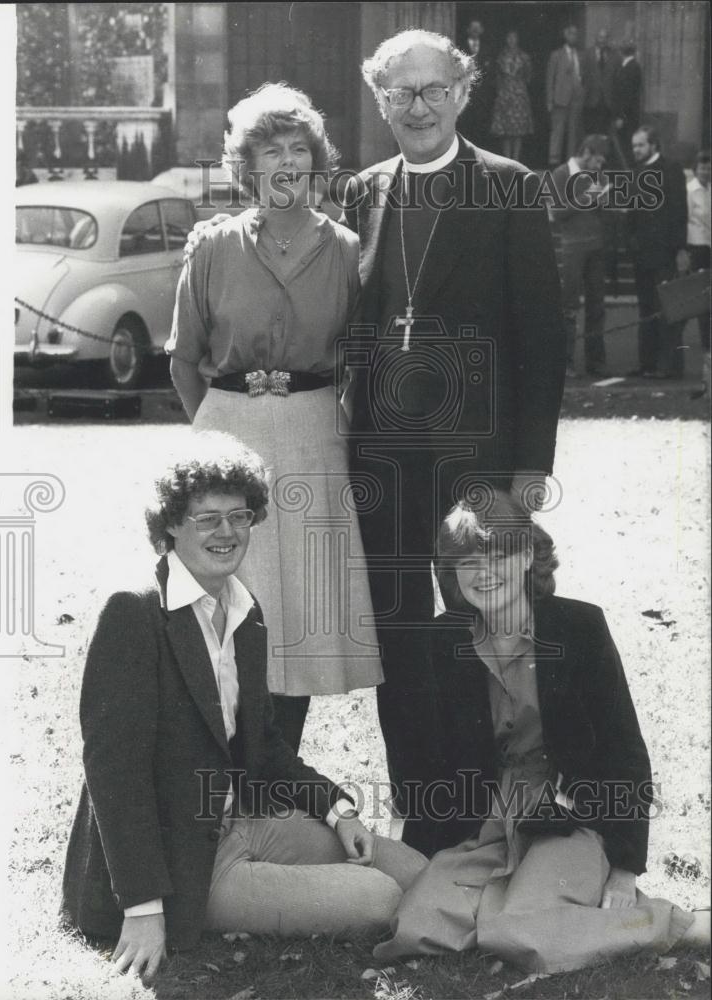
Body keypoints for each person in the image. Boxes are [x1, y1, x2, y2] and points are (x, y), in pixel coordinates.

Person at [60, 432, 426, 985]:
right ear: (170, 526)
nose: (226, 532)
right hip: (182, 863)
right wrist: (142, 907)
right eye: (207, 519)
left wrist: (336, 810)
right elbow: (115, 774)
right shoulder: (134, 612)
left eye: (239, 515)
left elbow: (265, 747)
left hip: (238, 823)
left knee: (410, 868)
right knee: (379, 898)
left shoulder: (244, 610)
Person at [344, 28, 564, 817]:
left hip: (478, 457)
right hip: (384, 459)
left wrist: (530, 464)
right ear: (378, 99)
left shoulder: (509, 186)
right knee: (398, 631)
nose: (418, 106)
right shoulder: (363, 190)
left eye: (434, 90)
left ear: (463, 93)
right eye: (399, 92)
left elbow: (542, 335)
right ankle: (421, 804)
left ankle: (492, 798)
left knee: (486, 619)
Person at [372, 494, 711, 973]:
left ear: (529, 554)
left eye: (498, 556)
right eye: (467, 561)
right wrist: (415, 845)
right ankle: (532, 908)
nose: (482, 573)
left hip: (568, 817)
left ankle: (681, 923)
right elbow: (419, 760)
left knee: (525, 935)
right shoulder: (439, 639)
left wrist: (623, 868)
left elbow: (623, 749)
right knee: (417, 927)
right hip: (484, 824)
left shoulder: (580, 626)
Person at [166, 84, 383, 754]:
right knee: (225, 600)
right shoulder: (212, 247)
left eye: (298, 150)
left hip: (316, 435)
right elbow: (183, 360)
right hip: (230, 433)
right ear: (246, 168)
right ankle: (221, 770)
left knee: (300, 613)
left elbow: (363, 358)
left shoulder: (349, 252)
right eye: (269, 152)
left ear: (317, 167)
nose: (285, 164)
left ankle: (278, 773)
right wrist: (215, 432)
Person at [627, 125, 688, 379]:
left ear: (653, 145)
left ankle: (669, 365)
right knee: (645, 309)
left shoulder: (671, 169)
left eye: (640, 145)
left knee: (666, 309)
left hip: (664, 251)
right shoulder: (634, 173)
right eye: (633, 146)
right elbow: (631, 214)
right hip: (642, 254)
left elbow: (678, 210)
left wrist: (679, 248)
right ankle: (647, 363)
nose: (636, 150)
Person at [551, 134, 610, 377]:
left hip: (596, 245)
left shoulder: (600, 176)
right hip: (572, 246)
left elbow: (602, 213)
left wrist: (606, 202)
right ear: (586, 152)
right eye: (597, 160)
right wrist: (587, 198)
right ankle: (565, 362)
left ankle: (596, 362)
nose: (600, 166)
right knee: (569, 305)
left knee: (597, 305)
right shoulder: (561, 174)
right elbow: (556, 212)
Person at [677, 149, 711, 396]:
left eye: (709, 167)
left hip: (709, 247)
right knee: (697, 304)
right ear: (695, 168)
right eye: (703, 167)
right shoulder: (689, 192)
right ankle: (675, 353)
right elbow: (686, 219)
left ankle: (707, 360)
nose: (706, 171)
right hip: (696, 247)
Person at [489, 29, 534, 162]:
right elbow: (496, 76)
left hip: (519, 95)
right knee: (506, 131)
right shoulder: (501, 56)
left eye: (514, 37)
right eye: (509, 38)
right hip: (505, 94)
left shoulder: (524, 57)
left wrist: (519, 85)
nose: (511, 40)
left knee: (518, 130)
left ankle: (516, 159)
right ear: (506, 39)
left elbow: (529, 75)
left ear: (517, 39)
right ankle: (507, 159)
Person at [546, 25, 585, 167]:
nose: (573, 37)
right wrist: (549, 100)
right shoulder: (556, 55)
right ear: (565, 36)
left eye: (575, 34)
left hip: (576, 99)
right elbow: (550, 78)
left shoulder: (580, 55)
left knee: (573, 133)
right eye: (571, 34)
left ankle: (571, 162)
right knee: (558, 132)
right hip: (560, 99)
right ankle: (554, 162)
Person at [458, 20, 494, 149]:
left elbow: (491, 71)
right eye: (473, 28)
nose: (475, 30)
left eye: (478, 28)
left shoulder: (487, 47)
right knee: (466, 122)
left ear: (482, 31)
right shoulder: (460, 46)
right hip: (466, 91)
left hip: (483, 93)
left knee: (482, 123)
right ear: (468, 30)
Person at [581, 28, 620, 136]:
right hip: (590, 101)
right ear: (596, 38)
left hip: (607, 102)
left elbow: (617, 80)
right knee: (590, 133)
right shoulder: (587, 54)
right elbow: (582, 77)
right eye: (600, 37)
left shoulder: (615, 56)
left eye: (605, 37)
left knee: (605, 134)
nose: (603, 40)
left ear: (608, 39)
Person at [611, 42, 642, 164]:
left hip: (627, 114)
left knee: (627, 141)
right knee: (625, 141)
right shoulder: (628, 66)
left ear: (621, 52)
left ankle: (628, 167)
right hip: (627, 113)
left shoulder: (632, 67)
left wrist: (621, 116)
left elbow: (627, 95)